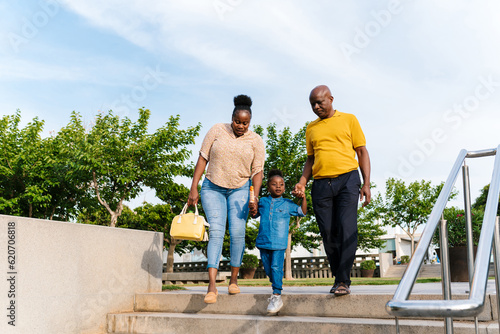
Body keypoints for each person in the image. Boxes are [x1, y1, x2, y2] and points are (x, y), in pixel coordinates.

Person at [293, 85, 371, 296]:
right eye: (313, 104)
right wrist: (302, 182)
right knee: (328, 233)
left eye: (320, 102)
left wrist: (366, 183)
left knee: (347, 229)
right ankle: (339, 278)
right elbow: (311, 158)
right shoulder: (311, 128)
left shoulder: (349, 119)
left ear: (331, 99)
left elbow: (362, 151)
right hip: (320, 184)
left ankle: (343, 280)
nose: (317, 106)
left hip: (347, 180)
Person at [188, 94, 265, 304]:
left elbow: (258, 171)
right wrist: (193, 187)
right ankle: (212, 286)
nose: (241, 126)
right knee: (216, 232)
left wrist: (254, 197)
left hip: (240, 189)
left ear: (250, 121)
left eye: (245, 123)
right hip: (212, 187)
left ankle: (233, 281)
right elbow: (203, 157)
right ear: (232, 118)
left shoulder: (256, 140)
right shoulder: (216, 130)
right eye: (237, 122)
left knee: (238, 233)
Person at [250, 169, 307, 314]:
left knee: (276, 267)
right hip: (263, 241)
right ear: (268, 187)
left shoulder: (288, 203)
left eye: (281, 184)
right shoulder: (262, 201)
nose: (278, 186)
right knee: (269, 270)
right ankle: (275, 286)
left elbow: (302, 211)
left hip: (279, 243)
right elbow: (254, 215)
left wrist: (303, 198)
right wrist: (252, 207)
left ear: (285, 187)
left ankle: (277, 295)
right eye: (274, 184)